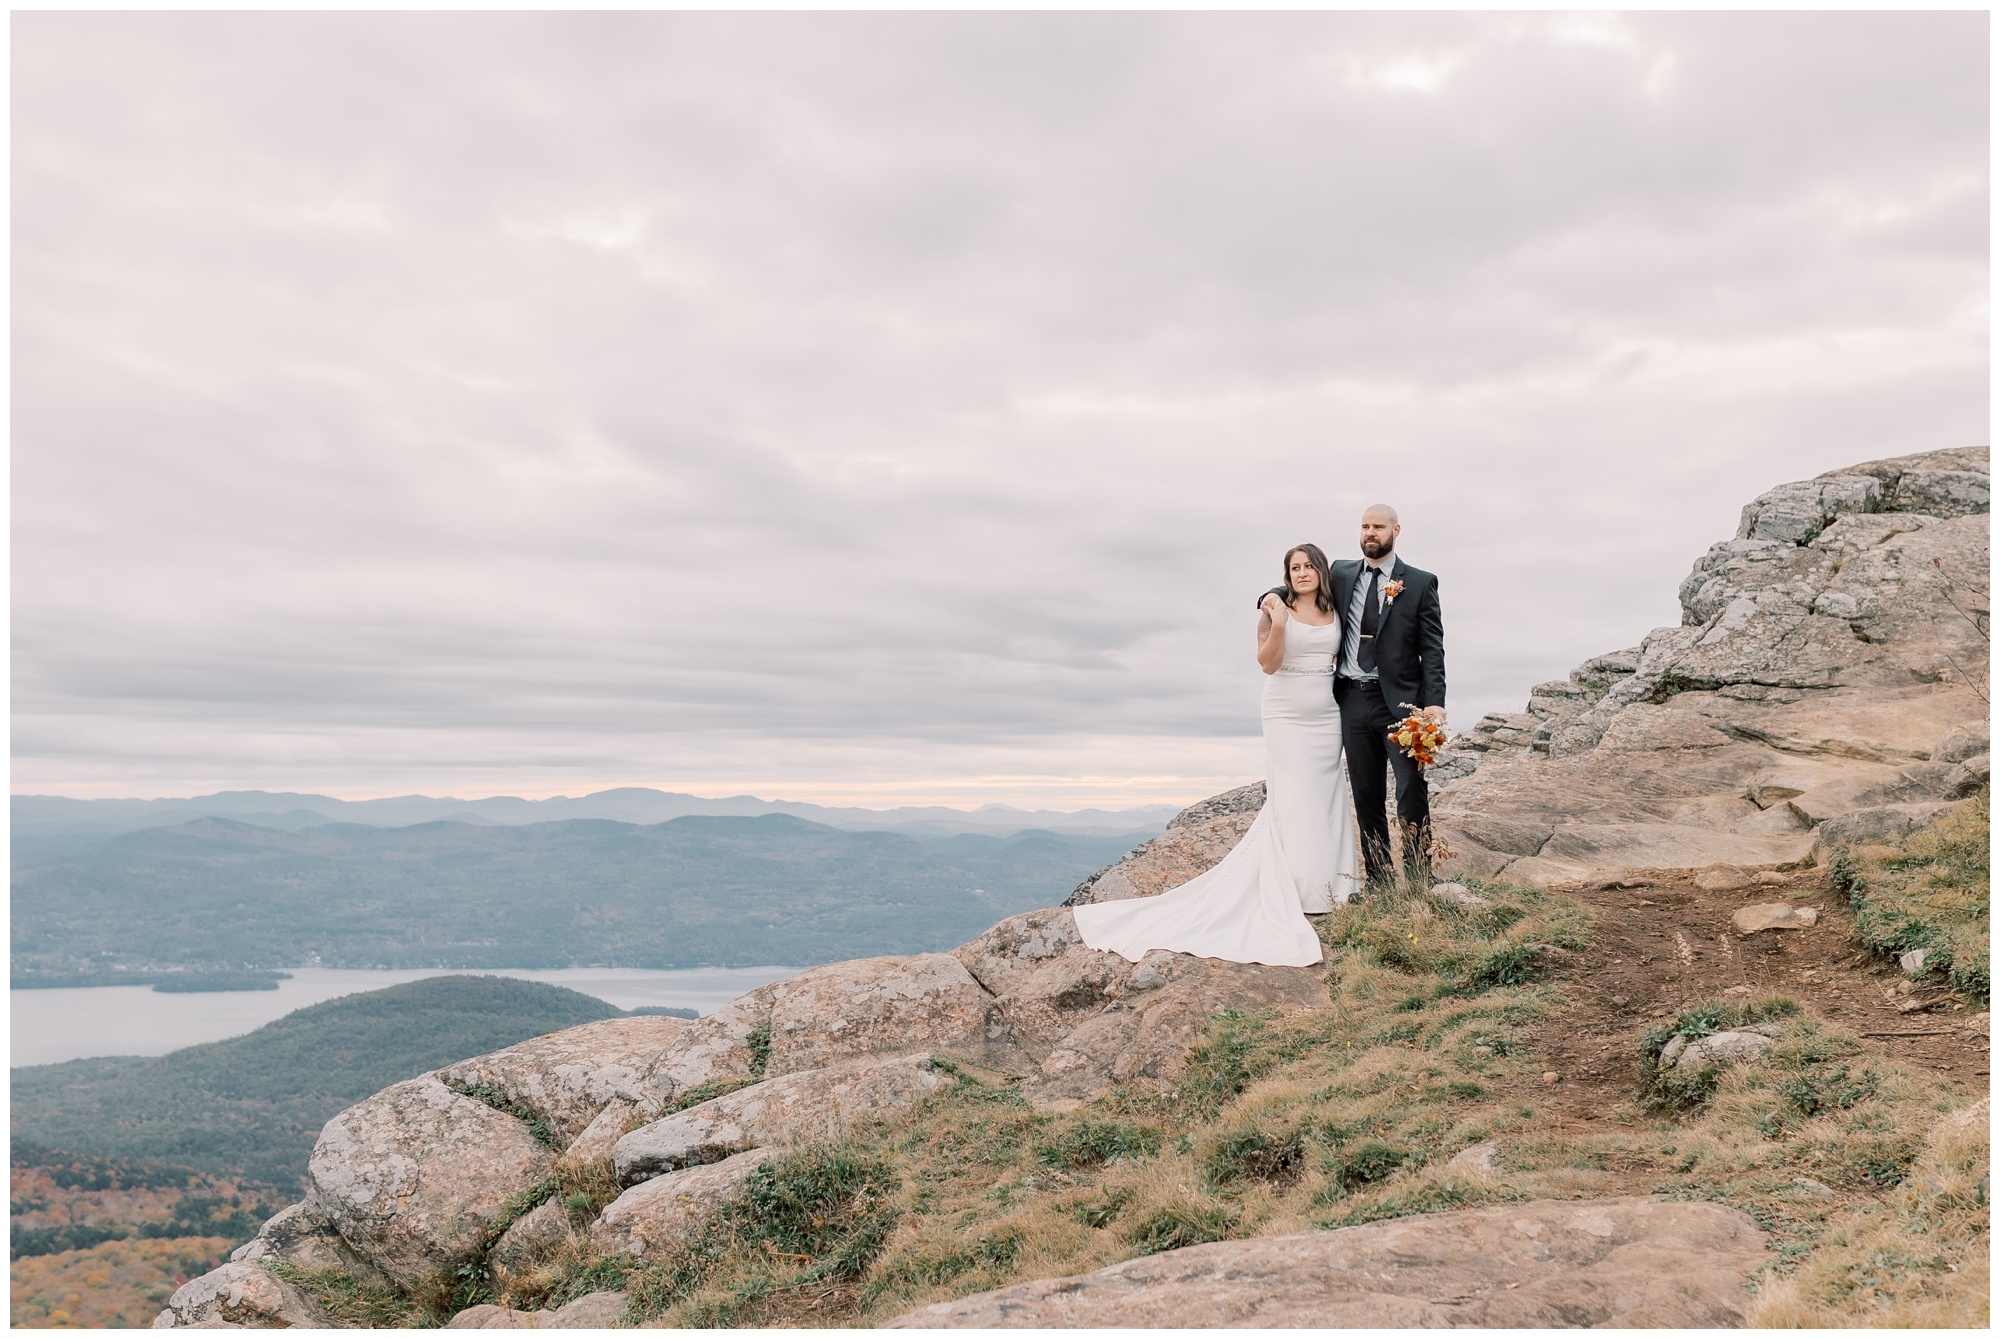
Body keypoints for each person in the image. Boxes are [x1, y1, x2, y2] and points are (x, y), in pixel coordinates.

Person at [1072, 544, 1360, 968]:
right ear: (1286, 575)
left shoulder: (1336, 608)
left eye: (1308, 566)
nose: (1302, 573)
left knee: (1327, 794)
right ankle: (1296, 889)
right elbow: (1266, 663)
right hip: (1285, 712)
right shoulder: (1274, 609)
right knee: (1294, 796)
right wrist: (1278, 623)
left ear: (1321, 570)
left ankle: (1332, 885)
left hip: (1326, 714)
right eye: (1293, 568)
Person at [1324, 504, 1447, 887]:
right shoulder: (1341, 574)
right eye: (1364, 526)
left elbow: (1433, 647)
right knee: (1366, 793)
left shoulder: (1420, 582)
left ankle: (1418, 876)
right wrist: (1272, 595)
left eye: (1378, 526)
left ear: (1396, 530)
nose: (1370, 533)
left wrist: (1435, 702)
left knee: (1411, 790)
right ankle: (1380, 880)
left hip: (1402, 704)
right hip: (1351, 700)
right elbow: (1301, 584)